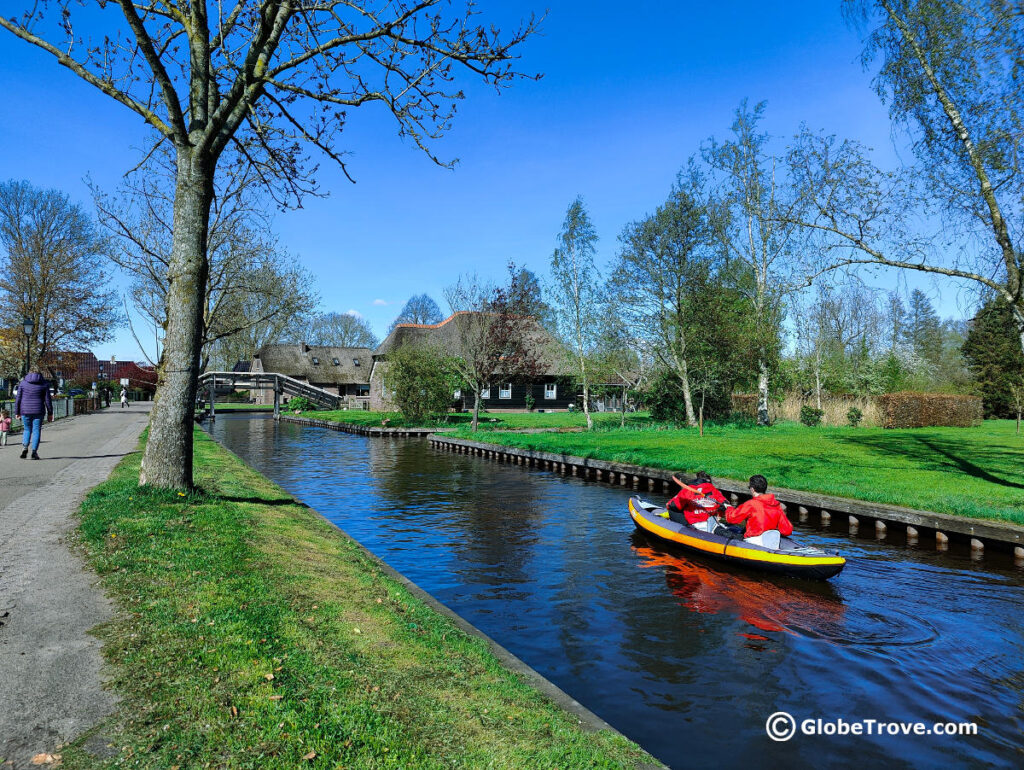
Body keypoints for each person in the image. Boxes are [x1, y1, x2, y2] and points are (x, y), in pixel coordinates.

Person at [726, 474, 793, 548]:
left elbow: (731, 518)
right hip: (771, 543)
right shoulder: (776, 505)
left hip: (753, 543)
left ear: (752, 489)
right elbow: (787, 530)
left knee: (726, 531)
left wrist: (729, 508)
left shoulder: (751, 504)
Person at [664, 471, 731, 533]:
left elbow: (672, 505)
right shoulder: (715, 491)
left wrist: (669, 505)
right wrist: (720, 514)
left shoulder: (688, 490)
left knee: (673, 510)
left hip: (696, 525)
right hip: (713, 523)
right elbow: (726, 505)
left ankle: (686, 530)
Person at [15, 370, 53, 460]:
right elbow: (48, 400)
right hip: (38, 411)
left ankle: (25, 448)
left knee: (27, 429)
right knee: (36, 431)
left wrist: (17, 412)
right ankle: (34, 452)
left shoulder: (23, 383)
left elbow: (18, 399)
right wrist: (50, 413)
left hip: (25, 410)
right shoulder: (44, 384)